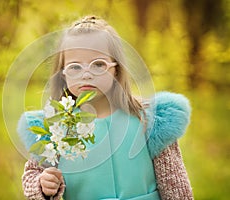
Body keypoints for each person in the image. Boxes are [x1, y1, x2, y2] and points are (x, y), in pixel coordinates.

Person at [17, 16, 193, 200]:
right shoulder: (55, 128)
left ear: (116, 68)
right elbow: (32, 176)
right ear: (63, 74)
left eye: (98, 65)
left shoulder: (149, 119)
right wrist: (43, 184)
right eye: (75, 67)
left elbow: (175, 186)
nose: (86, 74)